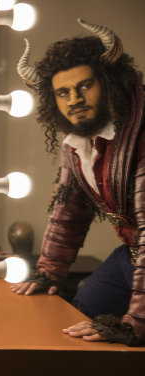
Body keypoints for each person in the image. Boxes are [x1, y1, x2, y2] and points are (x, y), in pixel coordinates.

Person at [11, 18, 145, 347]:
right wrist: (48, 272)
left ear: (108, 82)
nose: (74, 98)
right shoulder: (76, 145)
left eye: (85, 86)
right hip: (131, 256)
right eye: (62, 92)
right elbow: (68, 212)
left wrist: (136, 324)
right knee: (76, 317)